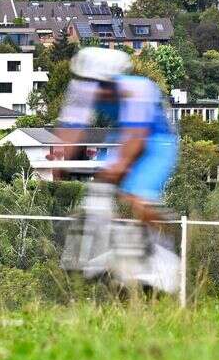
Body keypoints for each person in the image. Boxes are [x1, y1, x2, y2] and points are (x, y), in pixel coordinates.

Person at [53, 46, 179, 293]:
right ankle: (105, 246)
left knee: (136, 196)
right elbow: (69, 130)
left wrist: (118, 169)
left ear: (114, 81)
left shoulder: (138, 90)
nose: (98, 90)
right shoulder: (82, 89)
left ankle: (165, 245)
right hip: (123, 135)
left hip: (157, 142)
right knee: (100, 188)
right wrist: (61, 162)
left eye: (104, 85)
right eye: (92, 84)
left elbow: (137, 139)